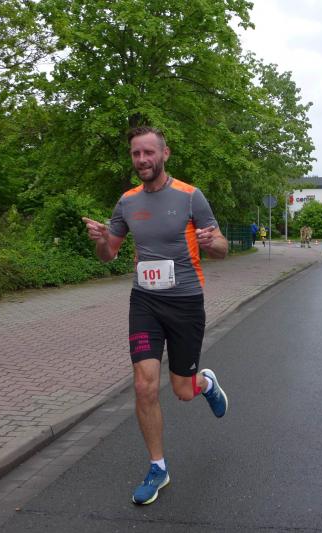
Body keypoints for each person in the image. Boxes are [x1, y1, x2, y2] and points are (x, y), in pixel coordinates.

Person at [82, 126, 229, 506]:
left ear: (165, 154)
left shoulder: (190, 196)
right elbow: (108, 255)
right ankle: (158, 467)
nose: (142, 159)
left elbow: (222, 249)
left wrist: (213, 243)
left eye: (149, 152)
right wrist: (102, 241)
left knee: (182, 390)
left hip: (185, 302)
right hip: (145, 302)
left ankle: (205, 383)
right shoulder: (127, 202)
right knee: (144, 385)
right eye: (136, 153)